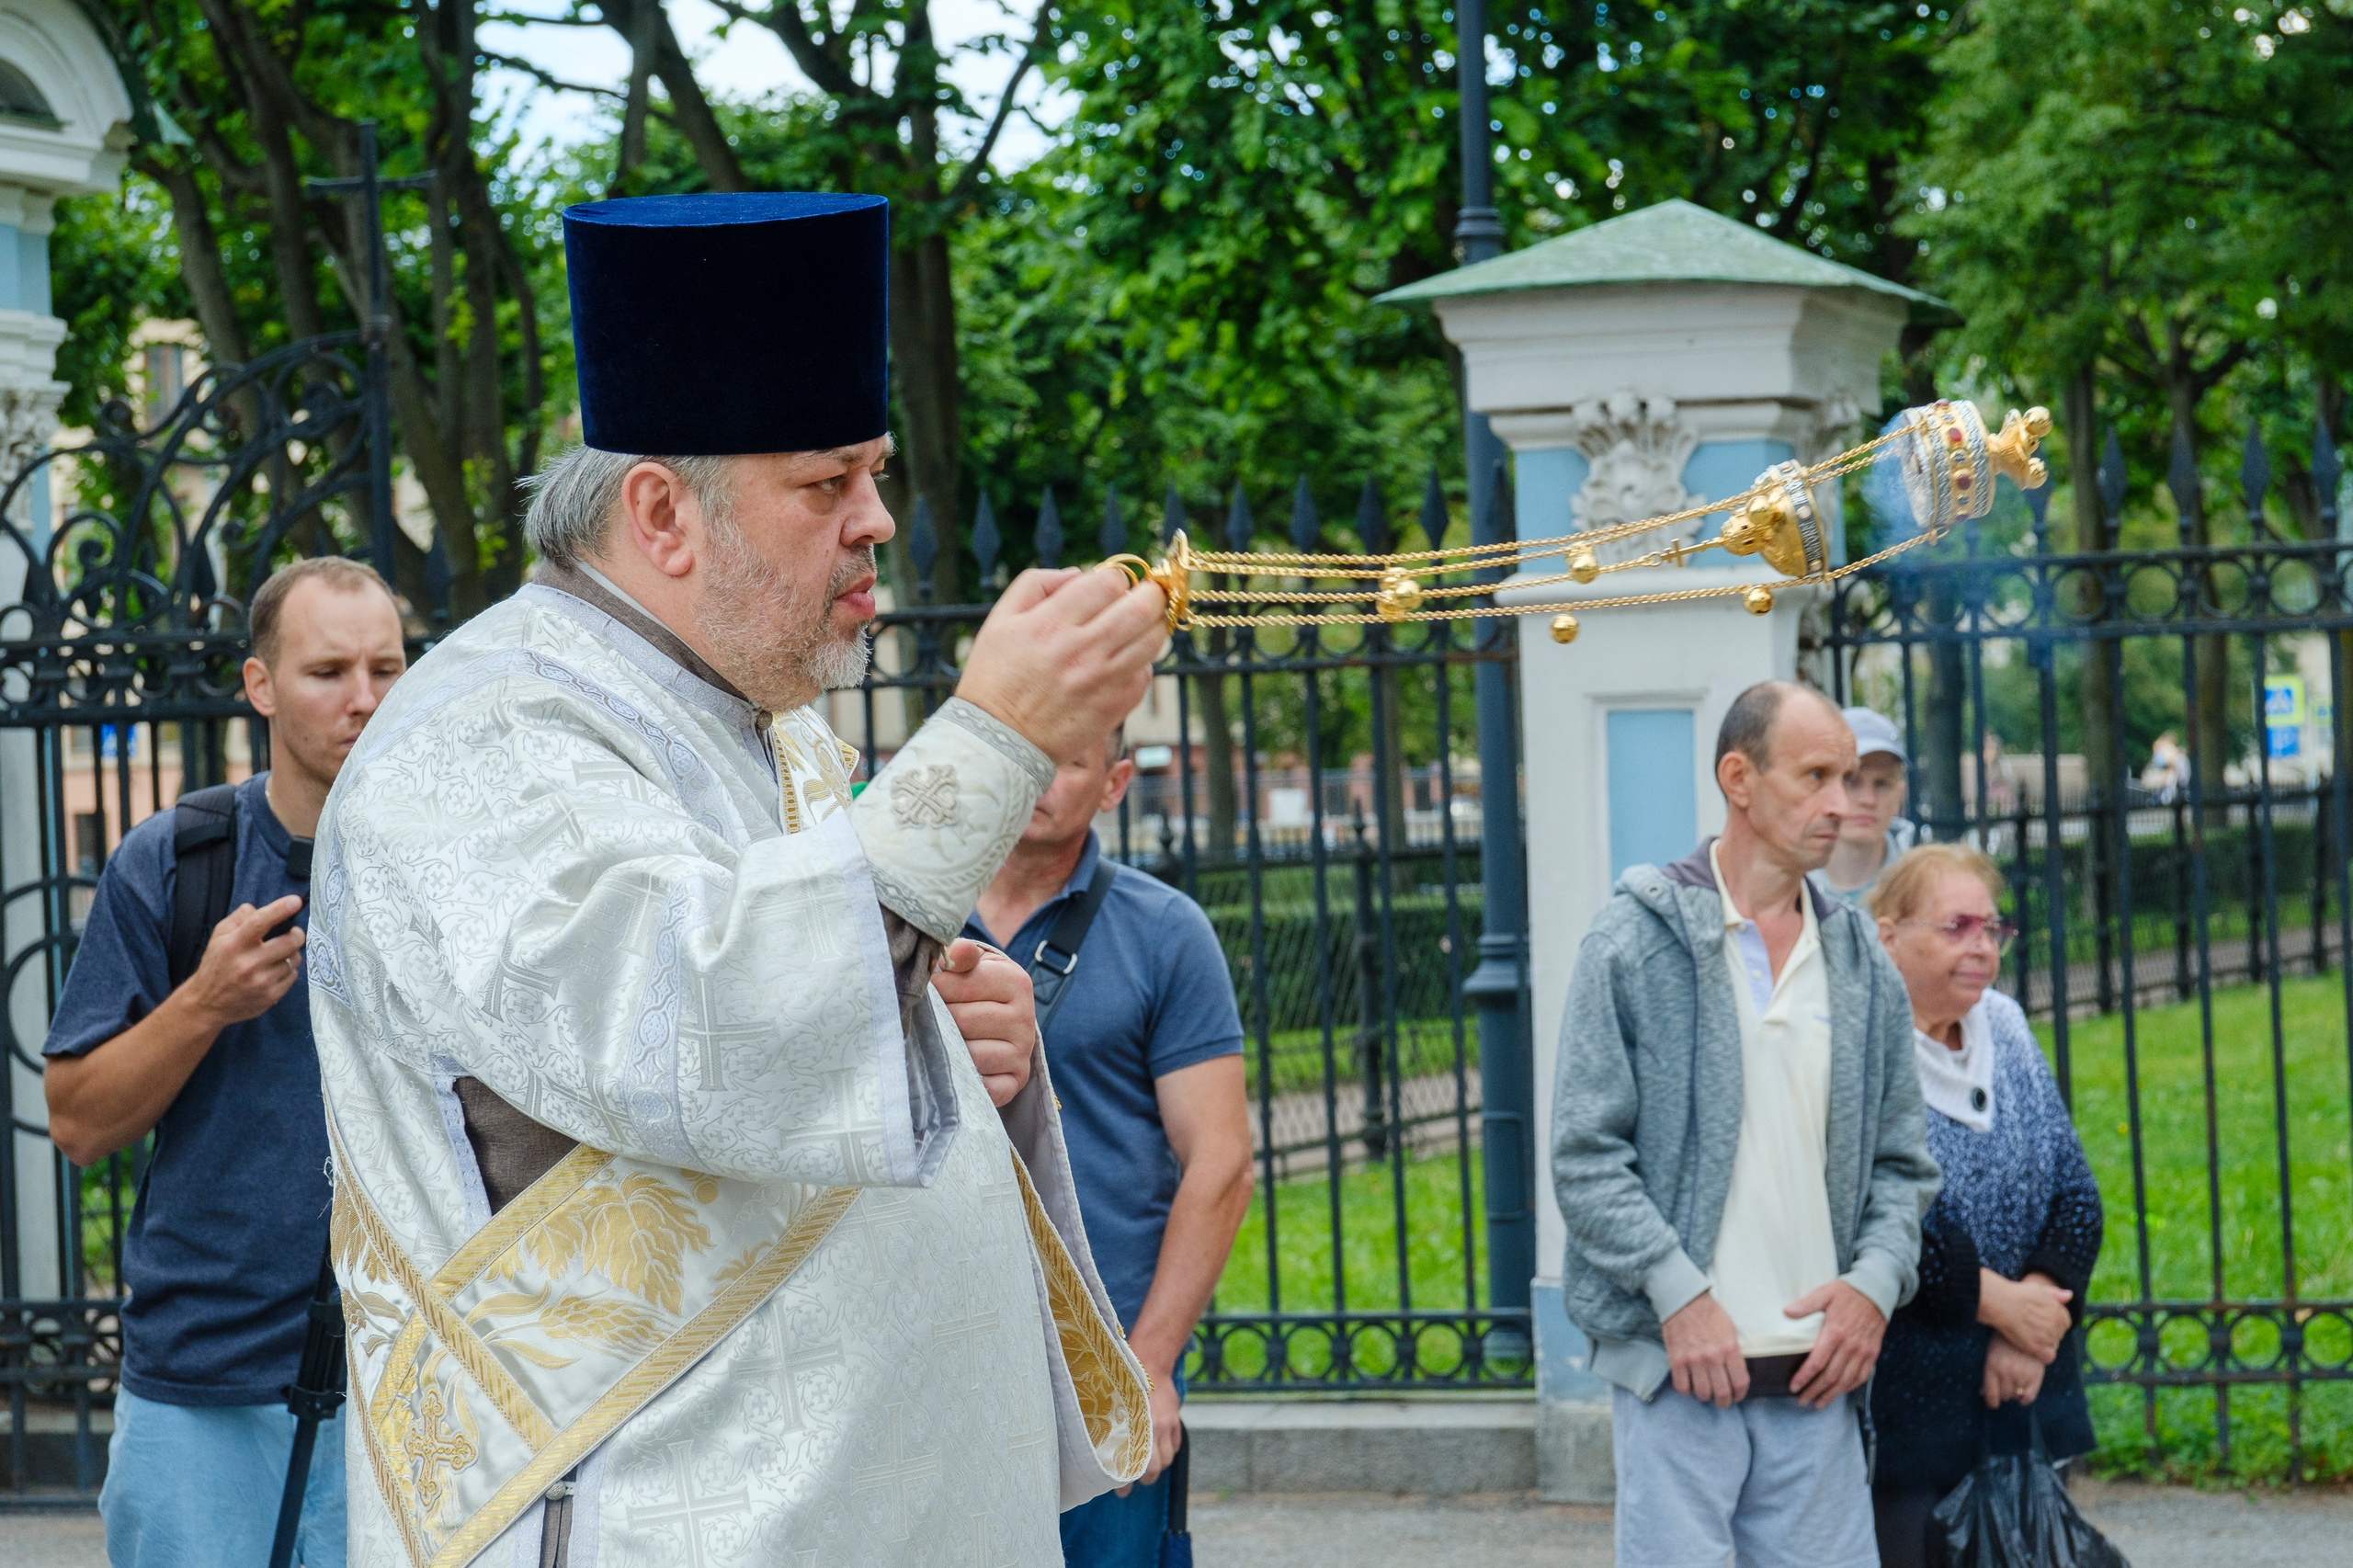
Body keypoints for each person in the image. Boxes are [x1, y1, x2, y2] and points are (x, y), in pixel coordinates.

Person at [313, 191, 1168, 1568]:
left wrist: (962, 1031)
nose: (877, 520)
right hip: (634, 1506)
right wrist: (993, 740)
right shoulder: (474, 741)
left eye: (876, 475)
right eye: (828, 483)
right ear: (662, 511)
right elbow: (693, 1026)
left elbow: (831, 1023)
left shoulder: (775, 732)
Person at [42, 557, 407, 1568]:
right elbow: (76, 1119)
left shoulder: (454, 866)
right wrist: (206, 1000)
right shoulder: (177, 860)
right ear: (259, 686)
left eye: (387, 667)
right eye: (329, 670)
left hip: (406, 1389)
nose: (365, 699)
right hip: (202, 1388)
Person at [1552, 679, 1940, 1568]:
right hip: (1679, 1379)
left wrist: (1874, 1288)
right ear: (1739, 777)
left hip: (1819, 1384)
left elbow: (1902, 1166)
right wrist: (1678, 1297)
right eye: (1815, 777)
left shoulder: (1859, 964)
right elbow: (1585, 1157)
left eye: (1849, 778)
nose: (1843, 805)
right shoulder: (1631, 943)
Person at [965, 724, 1253, 1566]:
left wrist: (1148, 1367)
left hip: (1103, 1366)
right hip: (941, 1351)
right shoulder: (909, 916)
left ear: (1117, 781)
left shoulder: (1167, 932)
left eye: (1068, 759)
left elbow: (1221, 1165)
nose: (1036, 777)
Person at [1866, 845, 2103, 1568]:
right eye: (1956, 927)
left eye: (1992, 930)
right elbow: (1878, 1211)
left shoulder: (2004, 1027)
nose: (1980, 947)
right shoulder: (1865, 1048)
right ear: (1888, 935)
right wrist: (1995, 1305)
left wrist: (2030, 1320)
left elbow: (2076, 1195)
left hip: (2023, 1394)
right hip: (1915, 1410)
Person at [1824, 705, 1917, 908]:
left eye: (1882, 784)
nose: (1868, 799)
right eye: (1852, 781)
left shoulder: (1920, 888)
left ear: (1898, 797)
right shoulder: (1789, 887)